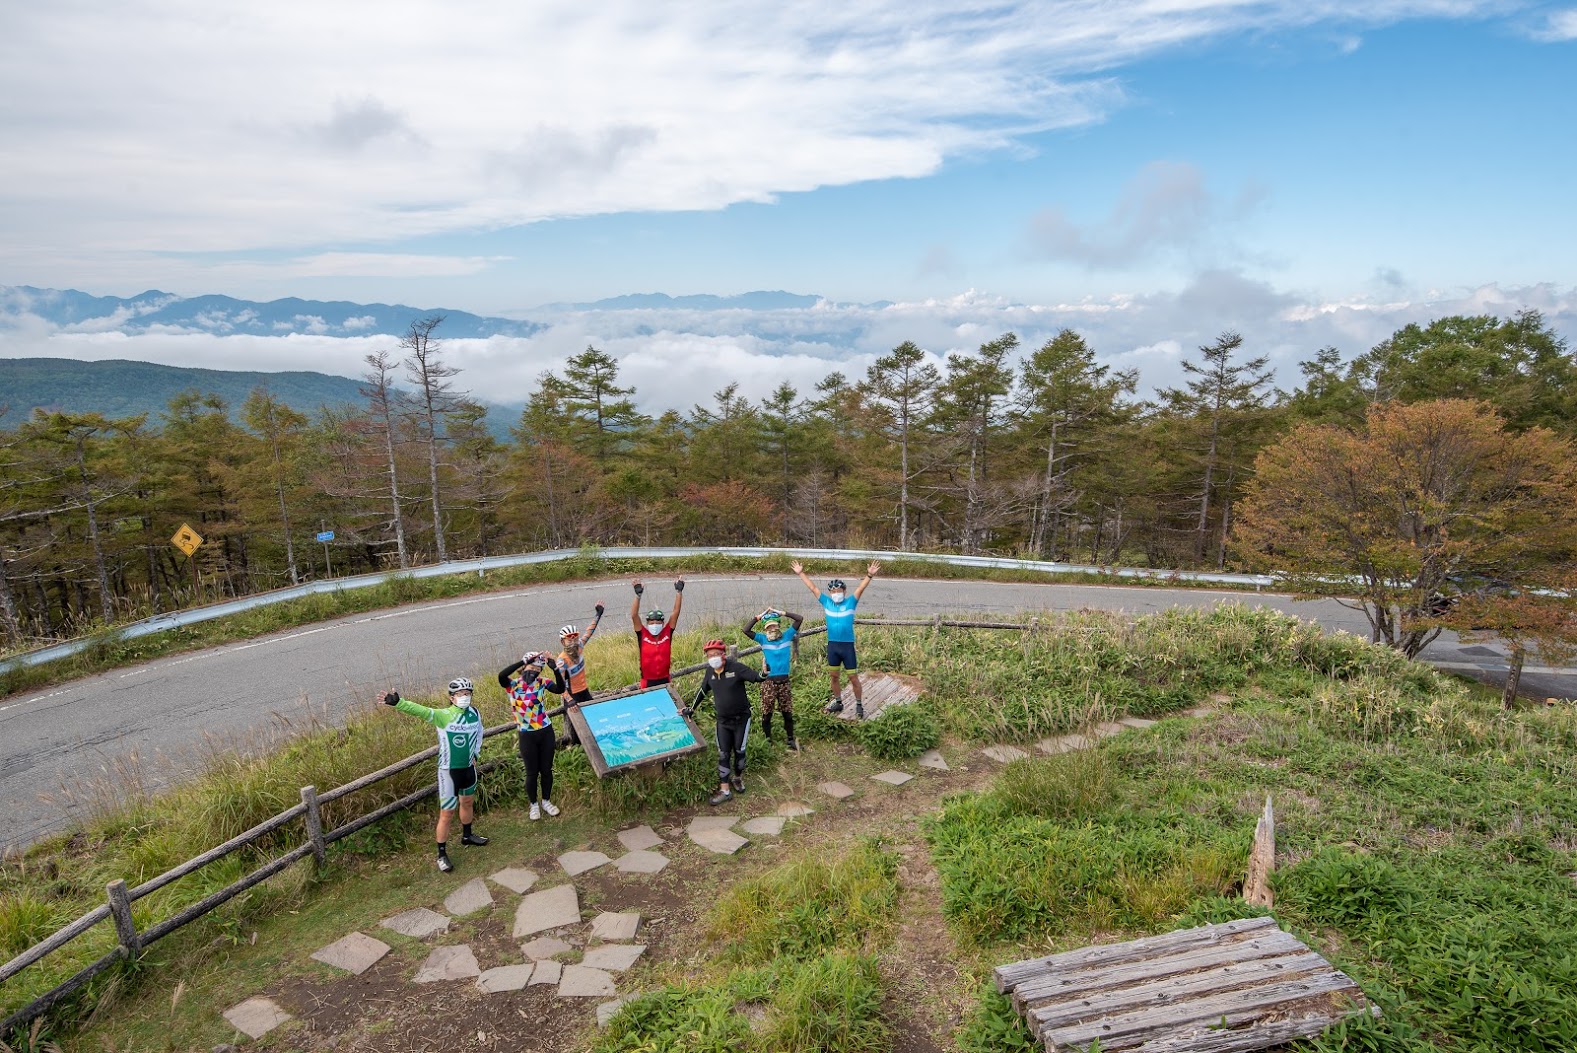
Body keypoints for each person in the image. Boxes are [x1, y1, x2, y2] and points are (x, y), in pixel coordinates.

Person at [382, 677, 489, 872]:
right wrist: (399, 703)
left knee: (467, 803)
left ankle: (467, 835)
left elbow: (479, 733)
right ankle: (441, 854)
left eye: (468, 693)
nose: (464, 697)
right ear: (451, 697)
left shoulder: (475, 713)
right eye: (460, 694)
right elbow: (422, 711)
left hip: (468, 769)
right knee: (446, 814)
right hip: (448, 771)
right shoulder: (443, 715)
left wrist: (476, 753)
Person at [793, 559, 880, 719]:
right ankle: (838, 701)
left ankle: (859, 704)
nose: (835, 594)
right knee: (834, 676)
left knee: (853, 677)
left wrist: (869, 575)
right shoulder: (827, 602)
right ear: (830, 593)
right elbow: (812, 588)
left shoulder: (851, 602)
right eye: (833, 592)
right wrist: (800, 573)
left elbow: (861, 588)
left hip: (847, 647)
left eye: (838, 590)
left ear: (844, 591)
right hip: (833, 646)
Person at [684, 638, 766, 805]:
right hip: (723, 721)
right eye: (709, 655)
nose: (713, 657)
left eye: (716, 654)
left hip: (742, 719)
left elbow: (756, 678)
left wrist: (764, 672)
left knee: (739, 752)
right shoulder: (710, 672)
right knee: (723, 753)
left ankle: (737, 778)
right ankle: (725, 790)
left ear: (723, 654)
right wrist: (691, 709)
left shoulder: (736, 668)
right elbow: (702, 691)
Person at [498, 651, 568, 821]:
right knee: (531, 772)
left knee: (546, 770)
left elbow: (560, 689)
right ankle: (533, 805)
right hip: (526, 734)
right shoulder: (512, 685)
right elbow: (501, 675)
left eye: (538, 668)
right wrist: (523, 660)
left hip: (545, 731)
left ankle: (546, 801)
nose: (535, 670)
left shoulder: (542, 682)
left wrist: (555, 670)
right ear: (524, 667)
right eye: (532, 666)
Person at [742, 607, 804, 750]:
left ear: (778, 625)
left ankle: (790, 740)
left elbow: (799, 618)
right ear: (765, 629)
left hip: (784, 682)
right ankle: (768, 741)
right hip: (768, 682)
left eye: (774, 626)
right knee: (767, 714)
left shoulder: (787, 636)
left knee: (787, 713)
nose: (772, 629)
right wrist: (759, 616)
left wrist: (782, 612)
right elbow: (746, 630)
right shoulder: (763, 639)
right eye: (768, 627)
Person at [555, 603, 605, 748]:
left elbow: (590, 631)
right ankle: (578, 750)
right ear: (562, 641)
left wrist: (598, 615)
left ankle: (595, 746)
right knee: (577, 730)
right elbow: (560, 685)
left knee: (593, 719)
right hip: (572, 695)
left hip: (584, 691)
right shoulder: (562, 660)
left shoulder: (580, 647)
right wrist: (569, 700)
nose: (573, 642)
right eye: (569, 639)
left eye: (575, 638)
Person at [631, 577, 684, 688]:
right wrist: (638, 596)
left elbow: (676, 612)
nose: (654, 625)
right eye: (651, 622)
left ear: (663, 622)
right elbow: (634, 615)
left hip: (665, 679)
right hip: (647, 681)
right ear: (647, 623)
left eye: (657, 622)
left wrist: (679, 592)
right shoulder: (642, 634)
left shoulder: (667, 632)